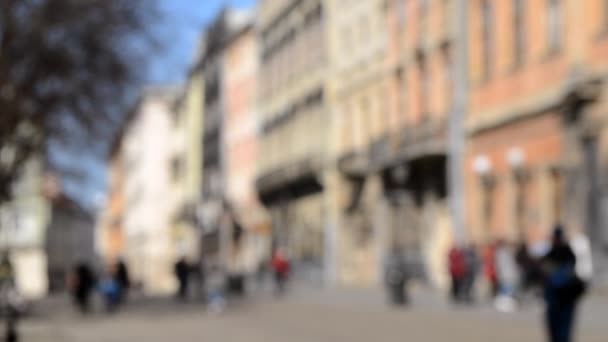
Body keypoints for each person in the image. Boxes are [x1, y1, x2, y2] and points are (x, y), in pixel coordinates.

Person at [542, 226, 584, 342]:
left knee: (560, 330)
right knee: (560, 330)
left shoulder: (560, 252)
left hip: (561, 297)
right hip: (560, 298)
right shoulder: (559, 252)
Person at [494, 240, 519, 312]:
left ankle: (505, 304)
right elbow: (504, 265)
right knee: (506, 289)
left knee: (507, 289)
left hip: (507, 273)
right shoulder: (502, 253)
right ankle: (504, 304)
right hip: (506, 274)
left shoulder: (503, 252)